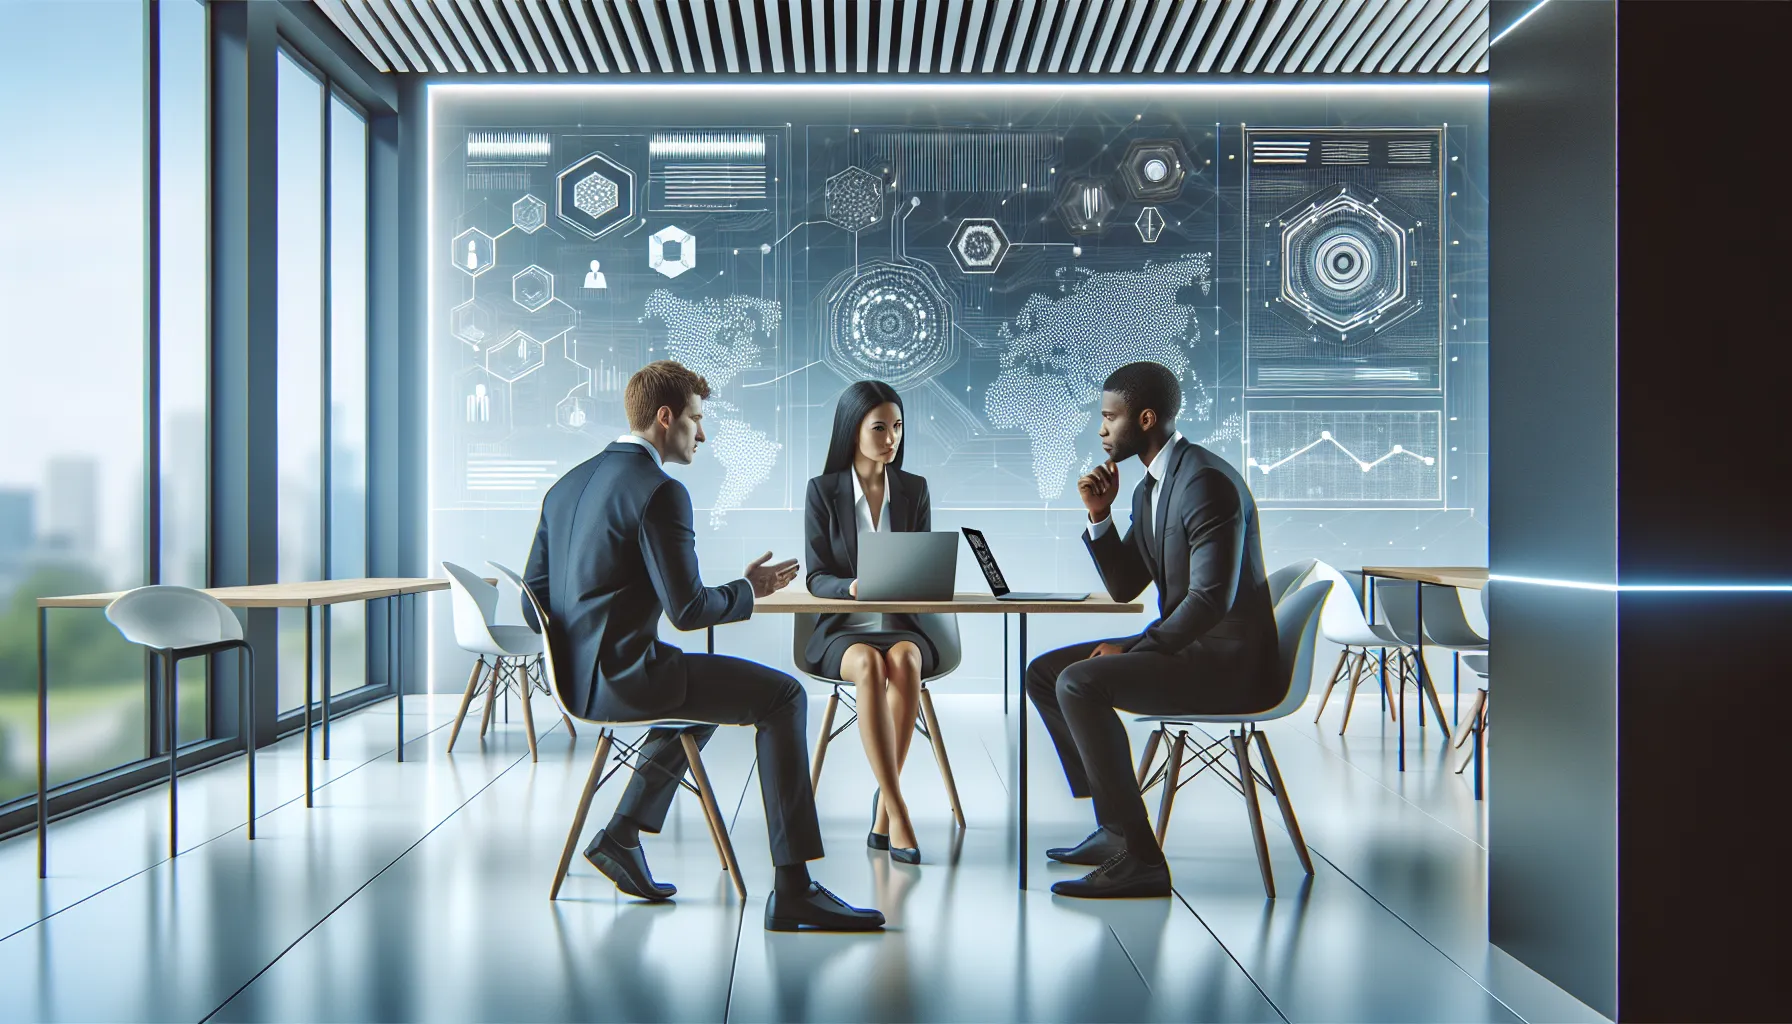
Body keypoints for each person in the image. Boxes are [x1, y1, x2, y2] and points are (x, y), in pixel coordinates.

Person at [523, 359, 883, 932]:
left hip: (577, 682)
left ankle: (621, 834)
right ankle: (794, 888)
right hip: (629, 680)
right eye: (695, 419)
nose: (703, 433)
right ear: (665, 419)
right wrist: (750, 590)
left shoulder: (566, 486)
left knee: (711, 690)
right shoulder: (660, 492)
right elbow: (687, 611)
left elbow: (530, 603)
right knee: (784, 697)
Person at [1025, 361, 1278, 899]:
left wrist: (1136, 645)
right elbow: (1125, 587)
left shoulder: (1204, 482)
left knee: (1079, 682)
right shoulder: (1150, 489)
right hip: (1190, 650)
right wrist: (1100, 516)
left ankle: (1142, 860)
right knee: (1047, 674)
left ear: (1144, 419)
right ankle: (1115, 826)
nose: (1100, 429)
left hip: (1229, 665)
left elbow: (1210, 600)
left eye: (1109, 418)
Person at [802, 381, 944, 865]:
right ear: (852, 430)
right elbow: (816, 577)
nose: (892, 438)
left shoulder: (914, 490)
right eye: (879, 427)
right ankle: (898, 809)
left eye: (898, 426)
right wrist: (851, 589)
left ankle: (883, 811)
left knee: (905, 659)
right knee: (867, 664)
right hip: (842, 628)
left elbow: (921, 562)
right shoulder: (823, 492)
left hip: (901, 623)